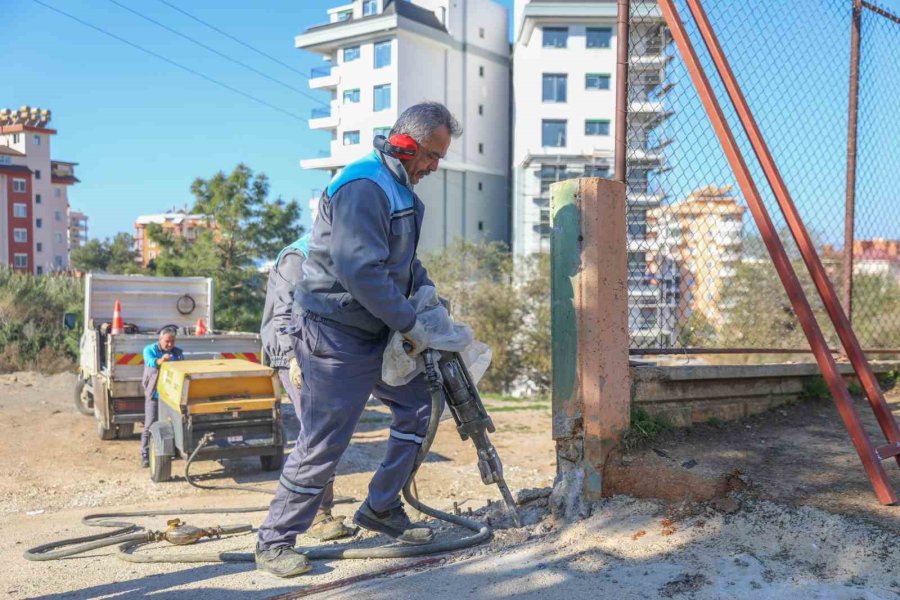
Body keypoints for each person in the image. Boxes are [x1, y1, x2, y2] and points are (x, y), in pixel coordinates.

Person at [255, 102, 461, 577]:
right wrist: (410, 323)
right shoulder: (365, 184)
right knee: (326, 438)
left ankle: (381, 506)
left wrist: (426, 296)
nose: (434, 166)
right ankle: (274, 541)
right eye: (432, 155)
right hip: (335, 335)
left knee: (419, 406)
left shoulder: (396, 187)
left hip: (373, 330)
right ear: (406, 144)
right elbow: (360, 270)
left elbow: (400, 264)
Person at [260, 233, 354, 542]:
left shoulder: (336, 252)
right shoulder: (298, 257)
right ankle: (316, 516)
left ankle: (319, 512)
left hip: (319, 350)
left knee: (325, 432)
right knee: (316, 435)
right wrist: (291, 357)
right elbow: (283, 312)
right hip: (295, 355)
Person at [140, 326, 184, 467]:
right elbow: (151, 362)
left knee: (172, 424)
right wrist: (161, 360)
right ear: (160, 339)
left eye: (172, 341)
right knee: (150, 424)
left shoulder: (178, 353)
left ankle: (170, 451)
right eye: (167, 341)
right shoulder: (149, 350)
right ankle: (145, 455)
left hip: (171, 397)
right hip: (154, 394)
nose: (170, 344)